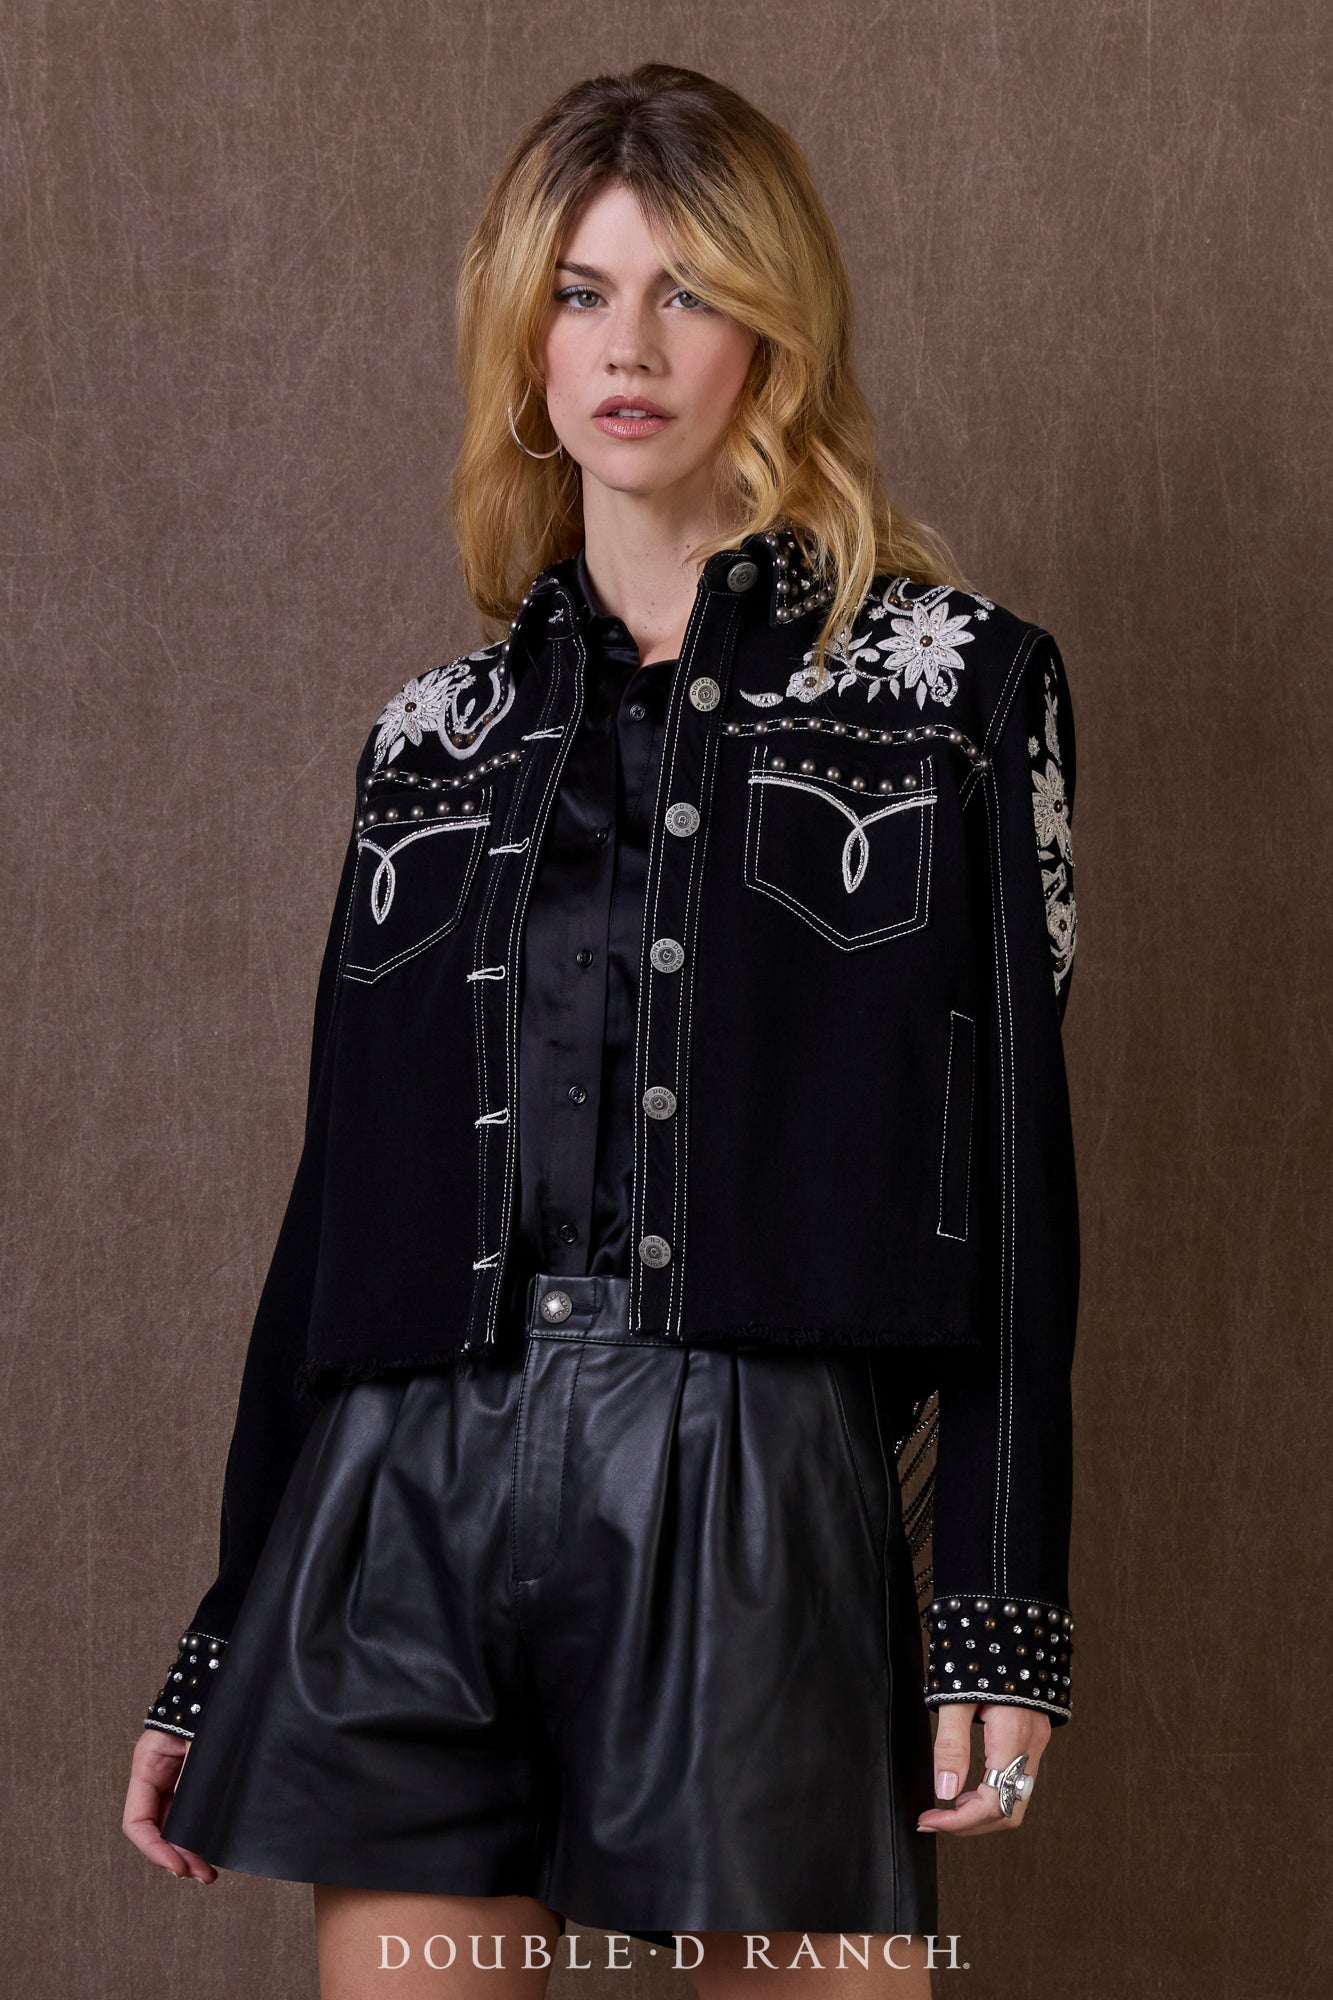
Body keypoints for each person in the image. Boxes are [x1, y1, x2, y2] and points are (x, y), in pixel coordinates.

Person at [121, 62, 1081, 2000]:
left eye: (685, 290)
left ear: (774, 334)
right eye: (578, 292)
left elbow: (1011, 1186)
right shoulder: (428, 741)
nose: (625, 346)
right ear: (521, 337)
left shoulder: (953, 692)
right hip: (410, 1499)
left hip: (756, 1480)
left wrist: (995, 1601)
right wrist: (229, 1621)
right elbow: (337, 1218)